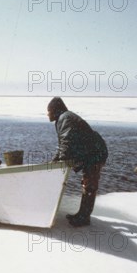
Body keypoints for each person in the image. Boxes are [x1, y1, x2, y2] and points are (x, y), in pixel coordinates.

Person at [47, 97, 108, 227]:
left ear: (55, 110)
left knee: (89, 185)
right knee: (87, 184)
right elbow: (62, 144)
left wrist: (61, 160)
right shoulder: (63, 118)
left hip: (95, 154)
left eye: (49, 111)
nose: (47, 114)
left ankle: (84, 218)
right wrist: (55, 160)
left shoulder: (65, 118)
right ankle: (81, 214)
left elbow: (67, 142)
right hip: (90, 153)